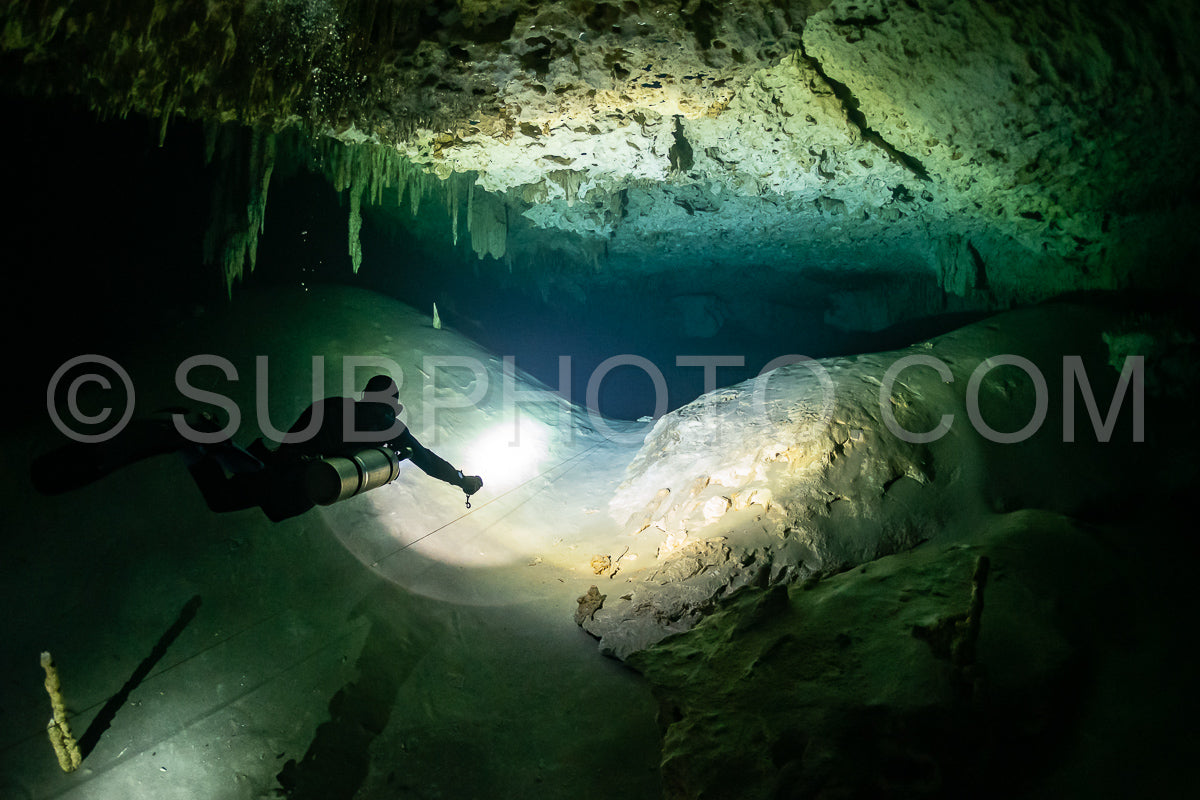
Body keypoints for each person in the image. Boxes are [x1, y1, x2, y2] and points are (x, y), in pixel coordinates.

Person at [185, 375, 482, 522]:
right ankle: (199, 443)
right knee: (221, 499)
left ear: (366, 394)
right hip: (310, 484)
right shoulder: (393, 429)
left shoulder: (331, 405)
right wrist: (460, 479)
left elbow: (293, 440)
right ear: (392, 403)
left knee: (225, 493)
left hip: (285, 469)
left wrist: (281, 460)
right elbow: (428, 461)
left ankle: (203, 442)